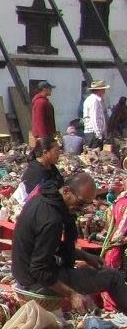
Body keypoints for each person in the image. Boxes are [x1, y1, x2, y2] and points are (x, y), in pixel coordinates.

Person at [12, 171, 127, 313]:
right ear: (66, 191)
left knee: (87, 270)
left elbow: (47, 245)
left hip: (23, 274)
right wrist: (72, 294)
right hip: (35, 283)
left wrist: (85, 256)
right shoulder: (52, 219)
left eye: (85, 205)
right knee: (113, 277)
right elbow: (39, 270)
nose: (80, 210)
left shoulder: (41, 199)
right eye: (80, 203)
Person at [82, 81, 108, 150]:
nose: (104, 92)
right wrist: (99, 135)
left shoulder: (91, 100)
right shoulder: (94, 101)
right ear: (99, 90)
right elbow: (94, 118)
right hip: (94, 133)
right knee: (95, 155)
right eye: (103, 90)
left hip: (92, 133)